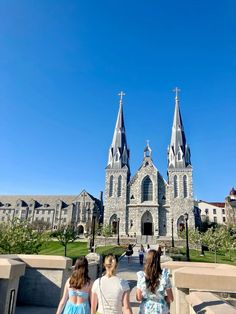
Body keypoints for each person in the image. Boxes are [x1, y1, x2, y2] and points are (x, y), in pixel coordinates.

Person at [136, 249, 174, 314]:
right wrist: (162, 298)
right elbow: (170, 299)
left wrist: (147, 296)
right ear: (158, 261)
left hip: (146, 309)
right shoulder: (164, 276)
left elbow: (138, 297)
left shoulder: (142, 276)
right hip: (161, 309)